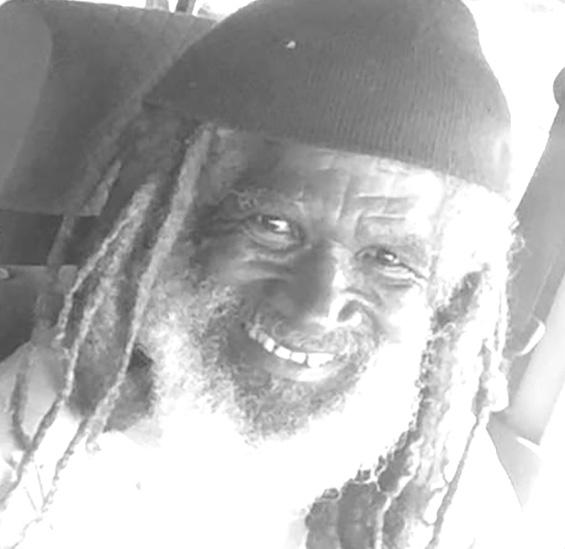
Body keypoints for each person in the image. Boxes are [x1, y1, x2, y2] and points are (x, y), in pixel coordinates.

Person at [0, 0, 523, 547]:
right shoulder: (38, 454)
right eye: (274, 227)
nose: (317, 308)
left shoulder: (433, 456)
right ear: (173, 229)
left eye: (388, 259)